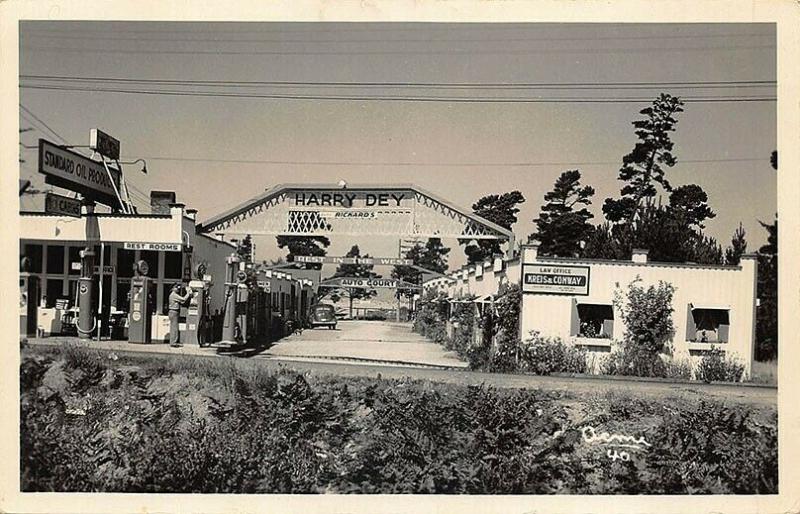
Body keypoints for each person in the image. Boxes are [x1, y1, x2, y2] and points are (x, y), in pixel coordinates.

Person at [168, 283, 192, 347]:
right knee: (174, 328)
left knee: (174, 327)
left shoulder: (174, 295)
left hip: (173, 312)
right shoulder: (174, 295)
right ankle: (173, 343)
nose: (177, 288)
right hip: (174, 311)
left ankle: (173, 342)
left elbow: (182, 302)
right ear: (172, 288)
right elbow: (183, 299)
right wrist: (188, 293)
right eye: (176, 287)